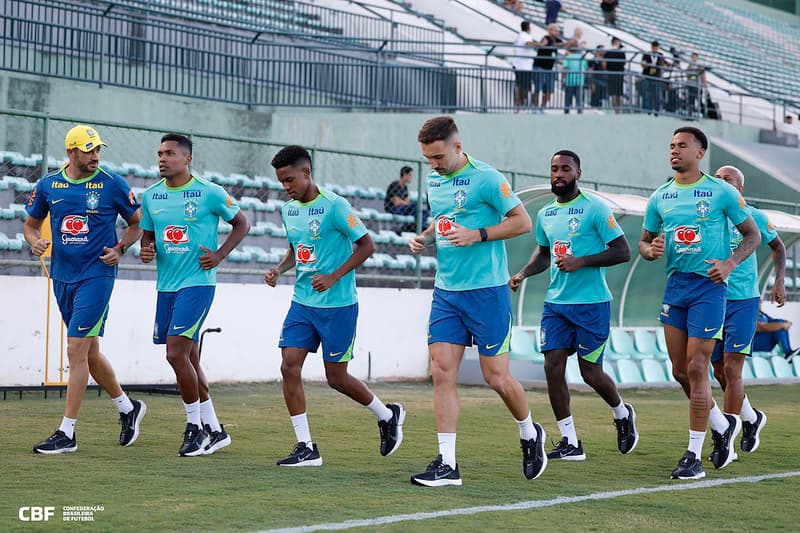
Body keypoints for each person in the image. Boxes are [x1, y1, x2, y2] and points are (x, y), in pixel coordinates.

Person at [408, 116, 547, 487]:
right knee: (441, 373)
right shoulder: (434, 180)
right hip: (447, 293)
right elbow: (443, 221)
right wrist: (426, 237)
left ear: (457, 146)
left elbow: (522, 223)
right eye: (427, 159)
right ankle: (447, 464)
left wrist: (478, 234)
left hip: (487, 292)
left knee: (496, 377)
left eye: (438, 157)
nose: (433, 165)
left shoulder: (487, 177)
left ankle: (531, 433)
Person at [265, 145, 405, 467]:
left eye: (289, 180)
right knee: (289, 365)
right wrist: (279, 269)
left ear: (306, 173)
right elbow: (295, 250)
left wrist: (333, 276)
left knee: (337, 378)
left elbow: (367, 245)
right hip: (302, 303)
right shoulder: (289, 210)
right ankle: (305, 447)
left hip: (338, 305)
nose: (286, 187)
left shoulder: (335, 206)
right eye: (281, 182)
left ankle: (386, 415)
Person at [639, 126, 760, 480]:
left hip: (709, 288)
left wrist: (730, 263)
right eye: (671, 145)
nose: (674, 151)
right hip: (676, 287)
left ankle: (693, 456)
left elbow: (752, 235)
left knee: (697, 367)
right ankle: (723, 426)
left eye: (682, 145)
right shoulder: (660, 197)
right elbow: (644, 244)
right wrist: (651, 250)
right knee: (679, 371)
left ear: (700, 152)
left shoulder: (721, 192)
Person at [24, 125, 146, 454]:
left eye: (98, 150)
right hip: (63, 276)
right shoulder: (49, 184)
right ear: (71, 152)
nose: (95, 156)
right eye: (89, 150)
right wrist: (36, 242)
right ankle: (127, 408)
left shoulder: (111, 183)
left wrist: (120, 248)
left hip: (98, 275)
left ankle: (67, 433)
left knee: (75, 350)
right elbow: (30, 225)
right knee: (89, 353)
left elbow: (138, 221)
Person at [510, 150, 638, 461]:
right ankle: (570, 441)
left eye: (565, 169)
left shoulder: (595, 208)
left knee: (590, 373)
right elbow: (544, 254)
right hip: (556, 304)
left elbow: (622, 251)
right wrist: (524, 273)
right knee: (552, 367)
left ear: (578, 173)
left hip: (592, 304)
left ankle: (622, 413)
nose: (558, 174)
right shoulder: (546, 214)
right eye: (554, 168)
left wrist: (582, 261)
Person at [139, 133, 250, 457]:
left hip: (198, 282)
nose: (162, 158)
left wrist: (219, 255)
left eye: (169, 153)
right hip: (167, 286)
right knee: (189, 359)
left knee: (175, 354)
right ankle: (215, 429)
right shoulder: (152, 196)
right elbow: (148, 234)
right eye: (159, 153)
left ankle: (195, 428)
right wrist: (147, 249)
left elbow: (242, 223)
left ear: (187, 159)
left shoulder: (209, 192)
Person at [709, 165, 786, 460]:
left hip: (743, 301)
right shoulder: (708, 219)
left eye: (726, 179)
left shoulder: (755, 217)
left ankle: (725, 438)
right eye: (716, 178)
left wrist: (779, 281)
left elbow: (778, 247)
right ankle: (751, 417)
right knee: (717, 370)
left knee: (731, 368)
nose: (719, 182)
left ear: (739, 190)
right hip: (711, 301)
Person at [384, 166, 430, 231]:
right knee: (415, 205)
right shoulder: (394, 185)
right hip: (393, 209)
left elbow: (406, 201)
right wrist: (404, 202)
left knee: (425, 212)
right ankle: (421, 227)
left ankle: (422, 226)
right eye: (410, 175)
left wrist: (402, 202)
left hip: (403, 208)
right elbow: (396, 202)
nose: (411, 177)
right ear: (405, 175)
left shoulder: (405, 187)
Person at [532, 24, 565, 113]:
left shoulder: (557, 40)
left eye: (558, 31)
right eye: (555, 30)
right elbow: (552, 44)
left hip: (550, 69)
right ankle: (534, 107)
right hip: (540, 66)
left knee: (549, 90)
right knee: (538, 88)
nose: (557, 32)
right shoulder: (546, 38)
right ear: (550, 31)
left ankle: (542, 108)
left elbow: (563, 45)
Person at [510, 21, 536, 113]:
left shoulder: (519, 35)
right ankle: (519, 105)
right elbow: (528, 43)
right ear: (528, 28)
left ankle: (519, 105)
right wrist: (541, 45)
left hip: (520, 64)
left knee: (521, 86)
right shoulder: (525, 35)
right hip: (523, 66)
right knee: (522, 86)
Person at [641, 40, 669, 114]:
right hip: (648, 76)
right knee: (647, 94)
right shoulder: (647, 54)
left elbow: (664, 64)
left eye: (656, 48)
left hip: (657, 77)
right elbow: (643, 64)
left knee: (657, 94)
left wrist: (664, 66)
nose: (655, 49)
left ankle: (657, 111)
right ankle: (647, 110)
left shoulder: (661, 55)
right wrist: (645, 64)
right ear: (651, 47)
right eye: (654, 47)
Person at [604, 37, 626, 114]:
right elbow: (624, 63)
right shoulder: (622, 53)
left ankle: (614, 110)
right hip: (620, 74)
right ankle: (617, 111)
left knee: (613, 92)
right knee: (618, 93)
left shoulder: (608, 52)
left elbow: (604, 64)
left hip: (611, 74)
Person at [563, 46, 586, 114]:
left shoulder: (568, 57)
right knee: (579, 97)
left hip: (569, 80)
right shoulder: (582, 57)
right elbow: (586, 67)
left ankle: (567, 109)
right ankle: (579, 109)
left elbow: (564, 68)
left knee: (568, 97)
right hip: (580, 80)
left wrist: (563, 78)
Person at [685, 53, 707, 118]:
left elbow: (703, 76)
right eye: (692, 57)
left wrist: (705, 85)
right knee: (690, 100)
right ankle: (690, 114)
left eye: (695, 57)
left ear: (697, 58)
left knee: (699, 100)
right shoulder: (689, 66)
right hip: (690, 85)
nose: (693, 58)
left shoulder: (700, 66)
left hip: (697, 86)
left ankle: (702, 113)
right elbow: (687, 75)